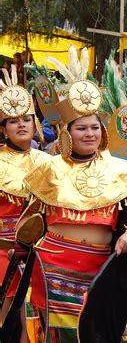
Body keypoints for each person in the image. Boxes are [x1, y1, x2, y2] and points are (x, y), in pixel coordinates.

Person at [18, 48, 127, 341]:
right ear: (67, 132)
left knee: (94, 334)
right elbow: (31, 218)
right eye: (81, 128)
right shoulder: (49, 168)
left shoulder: (121, 170)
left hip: (101, 268)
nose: (89, 133)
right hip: (52, 265)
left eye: (95, 127)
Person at [0, 65, 51, 342]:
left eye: (27, 118)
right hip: (3, 253)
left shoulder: (50, 163)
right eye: (13, 120)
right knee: (7, 320)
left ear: (35, 124)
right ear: (4, 128)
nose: (21, 124)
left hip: (42, 254)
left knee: (40, 320)